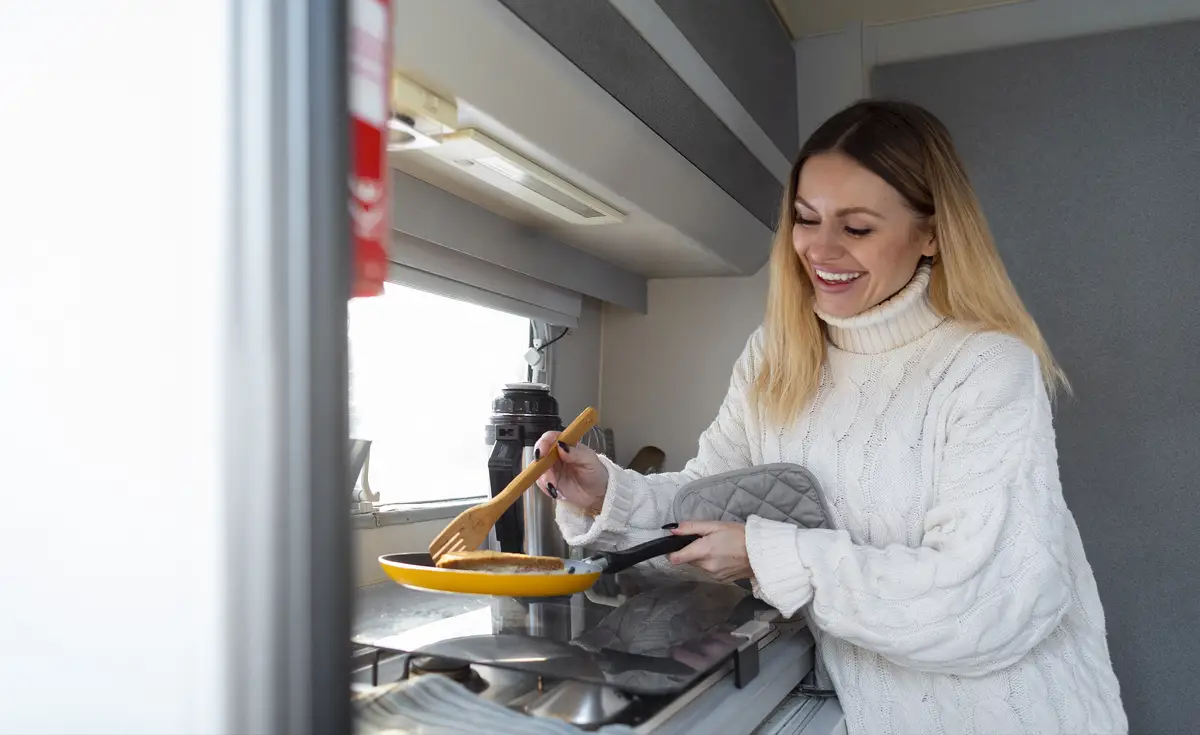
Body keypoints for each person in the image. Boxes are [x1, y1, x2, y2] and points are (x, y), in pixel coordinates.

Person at [534, 100, 1127, 735]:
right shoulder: (777, 352)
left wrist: (769, 558)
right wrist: (609, 495)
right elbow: (712, 499)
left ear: (931, 233)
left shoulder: (984, 366)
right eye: (806, 219)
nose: (820, 249)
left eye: (858, 228)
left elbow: (989, 600)